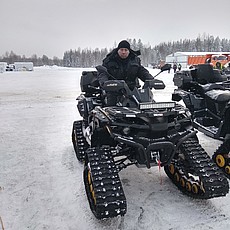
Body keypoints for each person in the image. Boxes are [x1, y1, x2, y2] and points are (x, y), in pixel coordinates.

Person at [97, 40, 154, 105]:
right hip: (114, 89)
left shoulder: (134, 60)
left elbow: (141, 71)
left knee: (146, 101)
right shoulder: (109, 60)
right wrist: (104, 82)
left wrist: (150, 79)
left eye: (126, 50)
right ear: (118, 50)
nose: (123, 52)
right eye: (121, 50)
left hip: (132, 89)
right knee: (111, 105)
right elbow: (103, 73)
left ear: (129, 51)